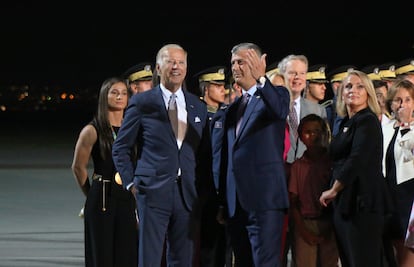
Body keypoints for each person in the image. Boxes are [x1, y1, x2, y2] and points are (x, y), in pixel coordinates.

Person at [112, 43, 212, 267]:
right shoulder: (142, 102)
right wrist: (131, 184)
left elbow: (205, 155)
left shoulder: (198, 106)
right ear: (158, 68)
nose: (176, 67)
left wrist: (202, 190)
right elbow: (120, 148)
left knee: (183, 258)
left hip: (187, 195)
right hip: (152, 191)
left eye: (181, 62)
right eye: (171, 62)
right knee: (150, 257)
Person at [215, 42, 290, 266]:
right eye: (233, 63)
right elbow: (226, 157)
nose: (235, 68)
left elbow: (279, 110)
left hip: (264, 202)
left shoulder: (276, 94)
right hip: (235, 203)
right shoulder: (232, 109)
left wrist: (262, 79)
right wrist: (222, 201)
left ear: (259, 64)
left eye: (241, 62)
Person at [319, 70, 391, 267]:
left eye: (360, 86)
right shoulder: (346, 123)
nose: (353, 90)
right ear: (341, 93)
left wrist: (333, 190)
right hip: (345, 203)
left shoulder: (367, 120)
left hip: (362, 203)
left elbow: (356, 160)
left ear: (368, 93)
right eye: (348, 86)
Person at [71, 77, 138, 267]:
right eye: (114, 93)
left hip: (126, 197)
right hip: (102, 198)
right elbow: (78, 166)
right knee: (102, 255)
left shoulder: (133, 127)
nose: (120, 97)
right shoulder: (92, 130)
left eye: (124, 93)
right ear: (104, 96)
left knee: (127, 253)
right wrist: (91, 192)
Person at [194, 65, 232, 267]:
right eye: (217, 86)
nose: (223, 90)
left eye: (223, 86)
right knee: (207, 246)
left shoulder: (227, 114)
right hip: (204, 188)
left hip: (223, 188)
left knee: (224, 245)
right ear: (206, 89)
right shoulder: (197, 115)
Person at [288, 114, 338, 267]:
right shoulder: (297, 166)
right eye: (307, 132)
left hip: (330, 223)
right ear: (300, 136)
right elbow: (293, 201)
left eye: (316, 131)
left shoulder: (332, 162)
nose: (312, 136)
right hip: (305, 223)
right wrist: (303, 231)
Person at [382, 79, 414, 266]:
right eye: (398, 100)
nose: (402, 105)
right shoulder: (384, 129)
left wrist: (406, 126)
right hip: (389, 196)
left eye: (408, 100)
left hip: (410, 198)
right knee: (393, 254)